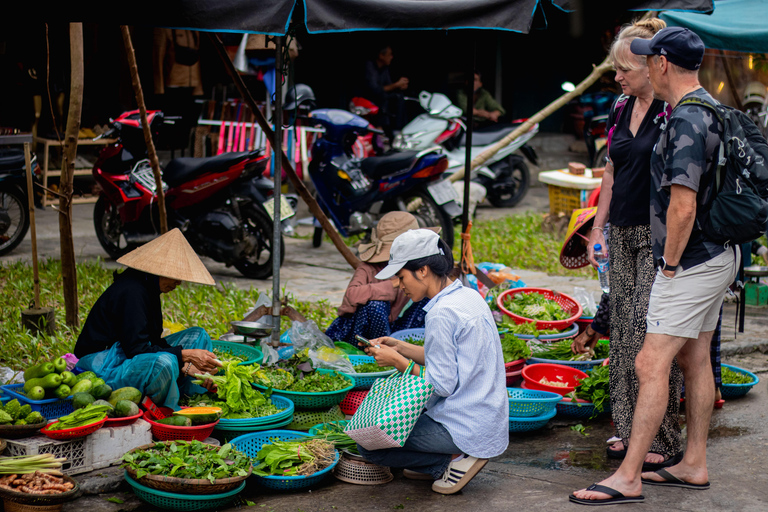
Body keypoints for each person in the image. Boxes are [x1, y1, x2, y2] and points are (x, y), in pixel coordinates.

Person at [571, 27, 739, 505]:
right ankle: (694, 464)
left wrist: (667, 266)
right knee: (694, 357)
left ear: (661, 65)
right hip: (718, 253)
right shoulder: (711, 107)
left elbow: (682, 206)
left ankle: (628, 476)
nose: (625, 73)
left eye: (640, 61)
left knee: (649, 359)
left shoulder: (684, 118)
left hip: (689, 259)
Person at [579, 18, 685, 472]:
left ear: (652, 67)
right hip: (620, 232)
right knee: (620, 333)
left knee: (650, 336)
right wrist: (596, 228)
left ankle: (663, 436)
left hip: (658, 235)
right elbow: (610, 170)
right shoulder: (620, 108)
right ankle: (627, 427)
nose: (617, 77)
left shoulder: (672, 111)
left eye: (624, 69)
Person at [356, 229, 508, 495]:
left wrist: (397, 361)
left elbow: (440, 384)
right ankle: (445, 459)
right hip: (487, 415)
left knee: (369, 442)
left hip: (464, 424)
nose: (400, 286)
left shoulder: (441, 313)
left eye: (402, 277)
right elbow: (448, 358)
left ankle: (450, 461)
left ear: (423, 270)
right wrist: (400, 347)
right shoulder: (467, 296)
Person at [74, 229, 221, 410]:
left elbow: (153, 341)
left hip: (129, 352)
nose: (178, 283)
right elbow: (137, 349)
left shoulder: (148, 287)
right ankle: (165, 408)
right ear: (159, 270)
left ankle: (192, 395)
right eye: (175, 277)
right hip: (105, 363)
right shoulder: (132, 291)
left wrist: (187, 367)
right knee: (163, 363)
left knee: (198, 336)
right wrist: (185, 356)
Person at [325, 212, 436, 347]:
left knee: (429, 298)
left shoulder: (416, 266)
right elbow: (352, 295)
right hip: (361, 335)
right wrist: (392, 284)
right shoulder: (367, 268)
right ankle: (382, 351)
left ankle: (403, 348)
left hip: (395, 329)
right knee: (376, 305)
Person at [363, 45, 409, 137]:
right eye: (389, 54)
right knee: (382, 97)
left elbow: (388, 86)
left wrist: (399, 86)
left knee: (399, 97)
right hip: (366, 100)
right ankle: (380, 129)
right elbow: (375, 90)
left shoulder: (384, 69)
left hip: (381, 100)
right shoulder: (369, 66)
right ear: (381, 56)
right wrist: (396, 84)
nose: (391, 57)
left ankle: (398, 130)